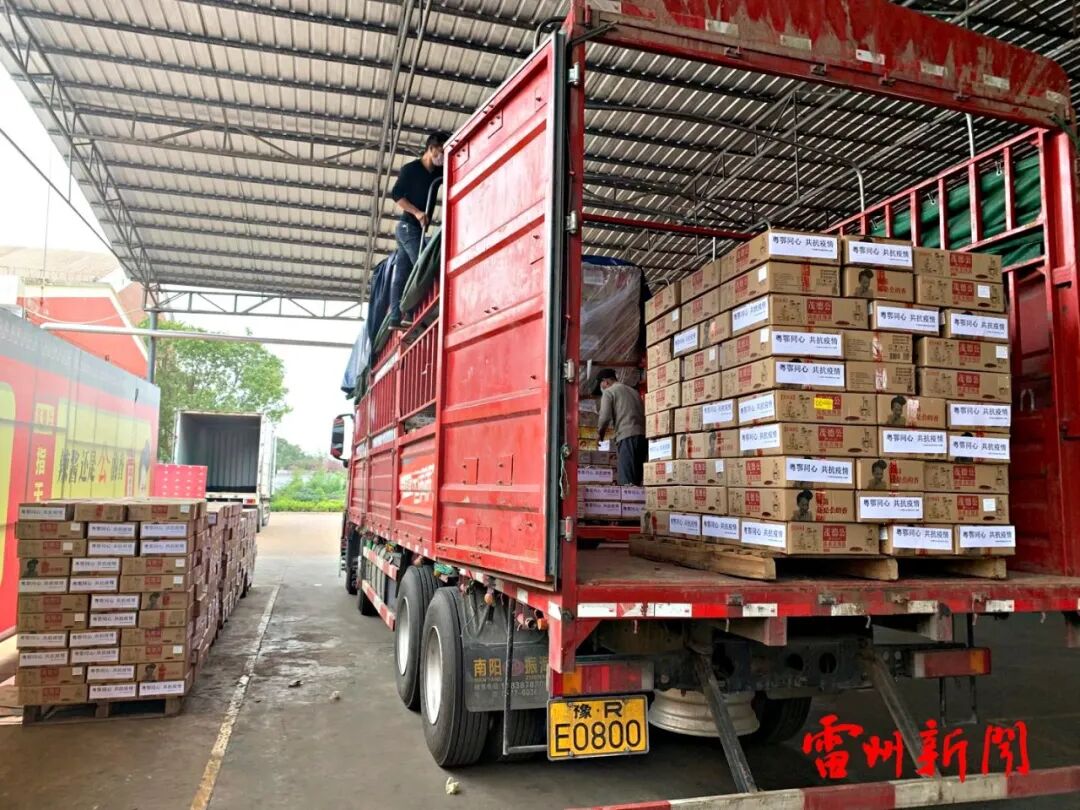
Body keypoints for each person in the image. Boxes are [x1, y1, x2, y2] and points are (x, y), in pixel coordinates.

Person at [388, 131, 449, 328]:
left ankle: (397, 317)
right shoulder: (411, 169)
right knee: (422, 266)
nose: (443, 156)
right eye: (441, 151)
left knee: (402, 272)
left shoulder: (438, 172)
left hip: (415, 229)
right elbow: (396, 194)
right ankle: (412, 312)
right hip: (407, 227)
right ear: (431, 149)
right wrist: (417, 212)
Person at [595, 369, 647, 486]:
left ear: (606, 382)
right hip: (643, 437)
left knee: (627, 482)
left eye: (601, 384)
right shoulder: (634, 391)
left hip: (627, 436)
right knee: (638, 480)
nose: (601, 388)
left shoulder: (609, 392)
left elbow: (605, 416)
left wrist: (600, 434)